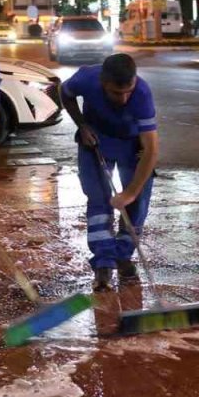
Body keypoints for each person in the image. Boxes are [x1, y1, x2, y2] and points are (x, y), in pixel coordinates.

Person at [60, 53, 159, 292]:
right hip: (96, 140)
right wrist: (81, 124)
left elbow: (151, 149)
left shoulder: (142, 94)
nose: (124, 98)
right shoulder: (86, 79)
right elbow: (64, 93)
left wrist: (132, 193)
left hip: (131, 145)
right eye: (116, 93)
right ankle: (103, 263)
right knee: (99, 199)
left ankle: (123, 254)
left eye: (128, 91)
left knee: (137, 204)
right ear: (103, 82)